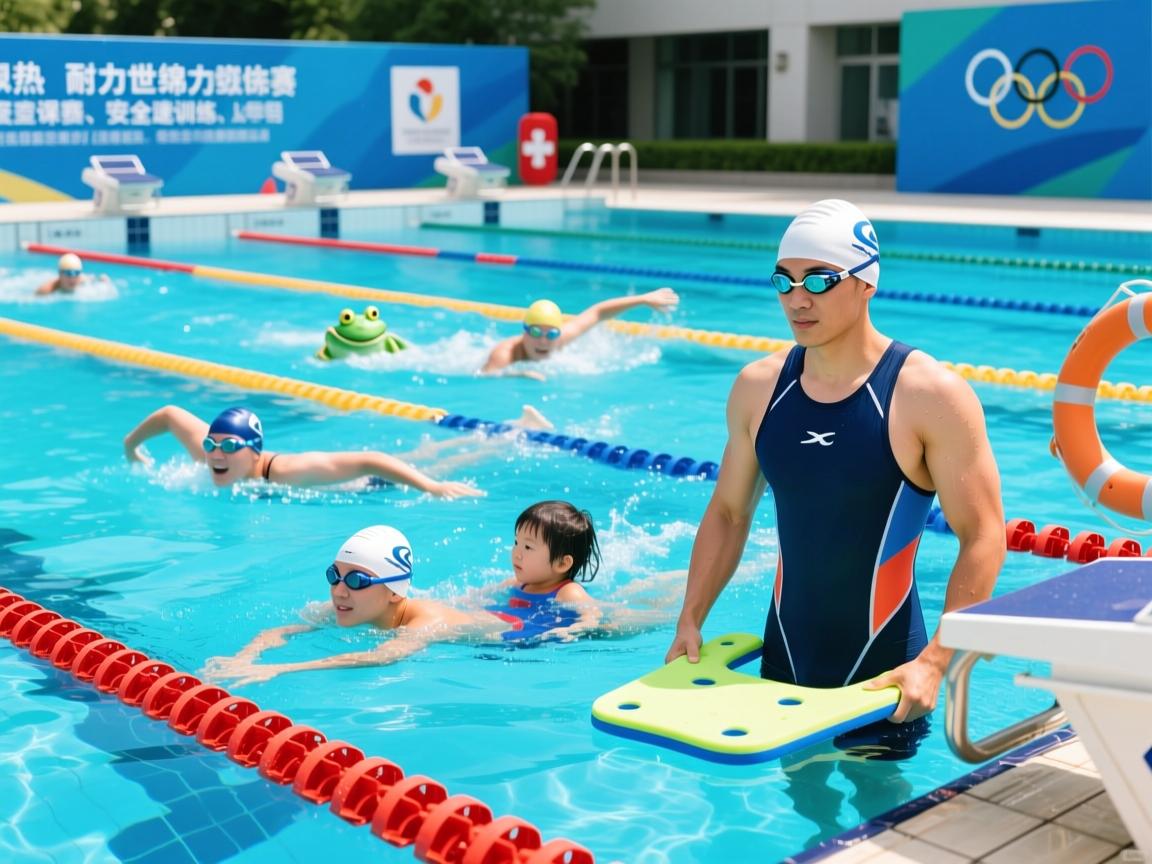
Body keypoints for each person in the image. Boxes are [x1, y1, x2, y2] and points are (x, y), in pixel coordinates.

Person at [664, 199, 1005, 729]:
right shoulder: (759, 388)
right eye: (785, 281)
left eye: (819, 280)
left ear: (866, 282)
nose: (797, 300)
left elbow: (983, 534)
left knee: (882, 806)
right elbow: (729, 514)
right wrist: (690, 619)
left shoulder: (927, 394)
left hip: (886, 673)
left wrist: (937, 662)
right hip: (784, 661)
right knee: (798, 798)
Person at [203, 503, 609, 685]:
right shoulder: (345, 601)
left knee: (630, 621)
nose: (340, 591)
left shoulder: (423, 623)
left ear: (394, 593)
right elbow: (285, 630)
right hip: (504, 611)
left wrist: (278, 670)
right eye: (334, 575)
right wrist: (245, 658)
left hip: (518, 640)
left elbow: (381, 656)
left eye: (358, 581)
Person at [123, 405, 482, 498]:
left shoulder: (287, 471)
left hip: (369, 482)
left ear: (253, 452)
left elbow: (371, 459)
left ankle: (489, 440)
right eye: (211, 444)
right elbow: (169, 415)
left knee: (432, 463)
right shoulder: (208, 455)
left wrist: (432, 487)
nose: (217, 454)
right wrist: (131, 446)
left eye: (230, 446)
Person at [480, 288, 680, 380]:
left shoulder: (560, 339)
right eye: (535, 332)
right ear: (524, 332)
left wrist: (642, 299)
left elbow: (598, 313)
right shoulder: (504, 354)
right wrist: (518, 375)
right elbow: (485, 377)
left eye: (550, 334)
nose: (543, 340)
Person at [36, 253, 107, 295]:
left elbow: (94, 279)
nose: (72, 278)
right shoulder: (46, 290)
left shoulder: (82, 279)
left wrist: (101, 279)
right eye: (68, 273)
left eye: (76, 273)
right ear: (60, 274)